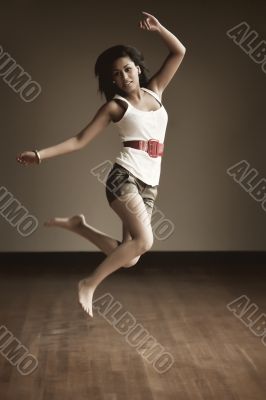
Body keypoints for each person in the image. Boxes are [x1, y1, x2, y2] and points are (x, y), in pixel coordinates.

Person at [16, 11, 186, 317]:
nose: (124, 77)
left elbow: (179, 52)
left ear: (137, 68)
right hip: (124, 178)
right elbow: (80, 140)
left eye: (128, 69)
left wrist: (159, 28)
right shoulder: (115, 106)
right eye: (116, 74)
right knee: (145, 240)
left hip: (150, 183)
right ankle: (89, 284)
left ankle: (79, 226)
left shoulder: (155, 91)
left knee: (130, 256)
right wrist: (39, 154)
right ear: (112, 80)